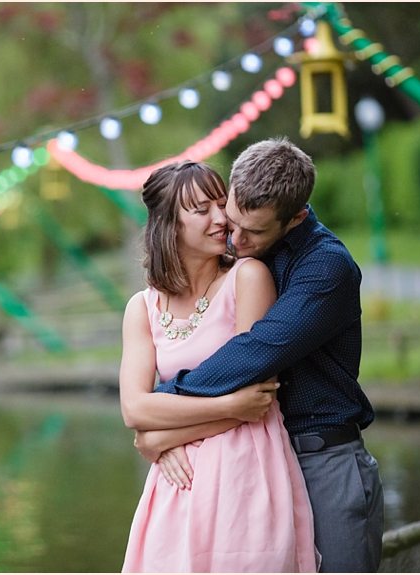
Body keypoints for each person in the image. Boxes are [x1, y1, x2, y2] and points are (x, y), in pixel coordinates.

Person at [150, 137, 384, 572]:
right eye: (231, 220)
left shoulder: (325, 267)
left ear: (295, 217)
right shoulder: (235, 257)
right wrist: (161, 428)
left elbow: (256, 351)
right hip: (258, 466)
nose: (234, 238)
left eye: (253, 231)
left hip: (324, 463)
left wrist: (162, 404)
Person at [119, 160, 319, 572]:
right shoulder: (143, 308)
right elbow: (133, 410)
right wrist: (167, 442)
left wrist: (160, 437)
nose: (220, 218)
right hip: (177, 479)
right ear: (168, 226)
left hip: (245, 470)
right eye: (201, 210)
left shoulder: (248, 278)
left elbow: (257, 401)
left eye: (219, 203)